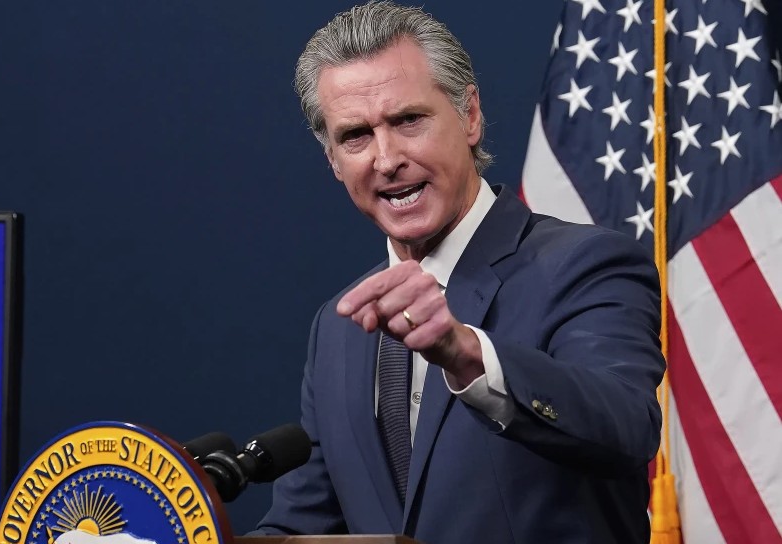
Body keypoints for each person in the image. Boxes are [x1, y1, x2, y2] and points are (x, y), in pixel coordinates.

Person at [253, 3, 665, 543]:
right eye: (355, 135)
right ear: (333, 159)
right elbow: (303, 526)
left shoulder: (586, 264)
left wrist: (468, 354)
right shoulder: (337, 326)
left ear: (470, 116)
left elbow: (627, 426)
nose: (386, 159)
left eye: (408, 120)